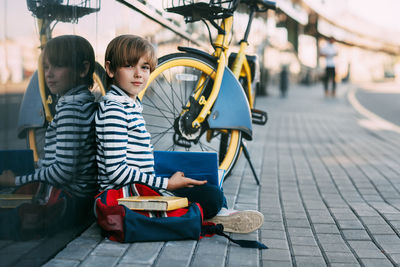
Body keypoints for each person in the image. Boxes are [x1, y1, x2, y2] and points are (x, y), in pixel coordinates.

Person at [96, 34, 264, 233]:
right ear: (110, 69)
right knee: (212, 197)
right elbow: (116, 171)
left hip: (141, 186)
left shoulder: (129, 104)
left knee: (209, 186)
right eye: (129, 66)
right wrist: (167, 183)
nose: (138, 74)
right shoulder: (115, 109)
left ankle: (217, 214)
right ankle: (214, 216)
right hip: (125, 195)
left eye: (145, 67)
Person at [0, 35, 98, 239]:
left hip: (68, 203)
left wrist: (15, 180)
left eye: (59, 66)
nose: (49, 74)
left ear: (83, 69)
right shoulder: (83, 102)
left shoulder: (72, 108)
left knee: (10, 219)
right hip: (75, 199)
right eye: (46, 67)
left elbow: (62, 172)